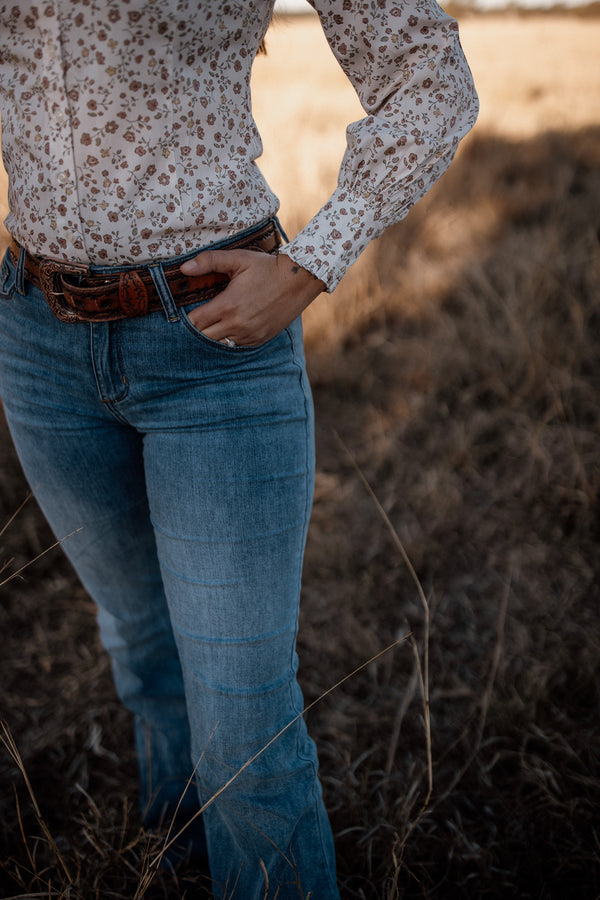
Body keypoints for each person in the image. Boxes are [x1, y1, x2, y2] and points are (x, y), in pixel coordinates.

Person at [0, 1, 477, 897]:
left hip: (215, 350)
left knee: (243, 721)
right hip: (39, 338)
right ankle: (174, 866)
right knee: (141, 647)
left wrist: (310, 263)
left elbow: (428, 77)